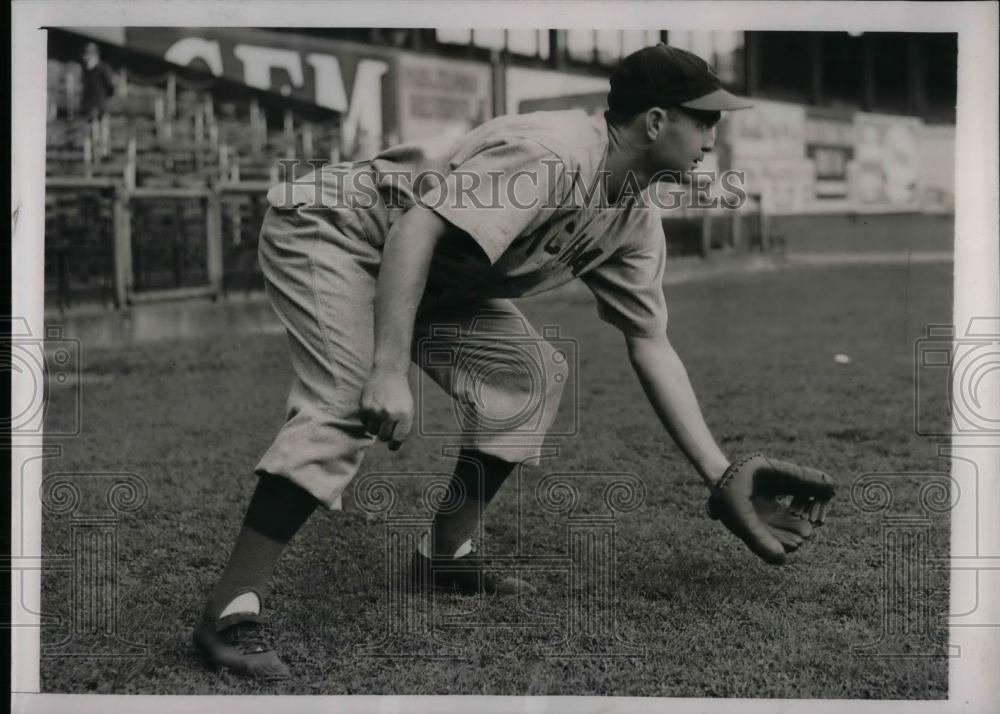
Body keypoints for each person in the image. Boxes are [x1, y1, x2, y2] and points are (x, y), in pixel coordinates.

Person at [192, 44, 815, 681]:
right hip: (340, 229)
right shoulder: (552, 154)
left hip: (429, 271)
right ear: (655, 122)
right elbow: (415, 229)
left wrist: (718, 473)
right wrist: (386, 368)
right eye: (704, 117)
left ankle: (444, 554)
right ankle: (228, 611)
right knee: (349, 396)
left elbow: (651, 341)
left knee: (530, 377)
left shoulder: (633, 214)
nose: (713, 133)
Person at [79, 42, 116, 120]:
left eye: (88, 53)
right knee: (91, 127)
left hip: (100, 105)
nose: (85, 56)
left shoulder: (102, 68)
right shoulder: (86, 69)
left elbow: (110, 86)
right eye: (85, 53)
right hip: (89, 105)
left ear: (95, 55)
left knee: (100, 127)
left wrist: (104, 99)